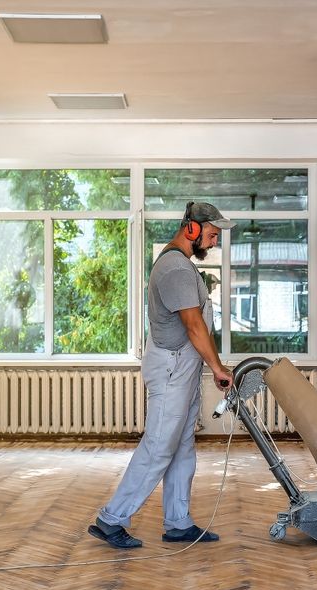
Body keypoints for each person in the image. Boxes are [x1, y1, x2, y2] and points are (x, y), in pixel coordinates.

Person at [89, 201, 235, 549]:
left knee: (182, 445)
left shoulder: (181, 266)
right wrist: (217, 368)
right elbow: (194, 325)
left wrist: (209, 365)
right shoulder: (176, 270)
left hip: (181, 365)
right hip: (172, 367)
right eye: (212, 235)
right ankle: (112, 519)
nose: (215, 242)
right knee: (159, 446)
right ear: (192, 229)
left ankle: (178, 522)